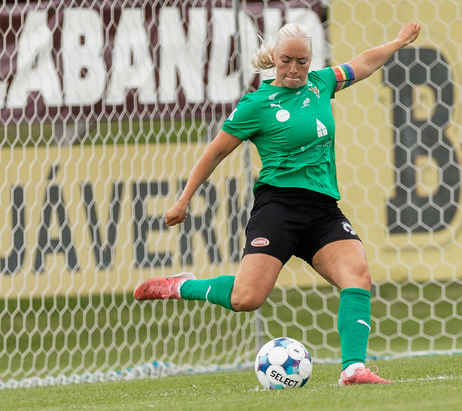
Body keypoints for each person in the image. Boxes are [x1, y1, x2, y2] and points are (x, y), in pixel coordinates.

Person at [134, 21, 422, 385]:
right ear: (274, 57)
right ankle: (181, 286)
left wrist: (397, 42)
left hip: (322, 211)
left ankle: (353, 369)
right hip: (278, 209)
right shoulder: (257, 104)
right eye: (287, 60)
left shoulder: (321, 83)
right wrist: (183, 200)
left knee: (358, 276)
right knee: (246, 298)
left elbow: (362, 64)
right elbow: (215, 153)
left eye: (303, 61)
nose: (295, 69)